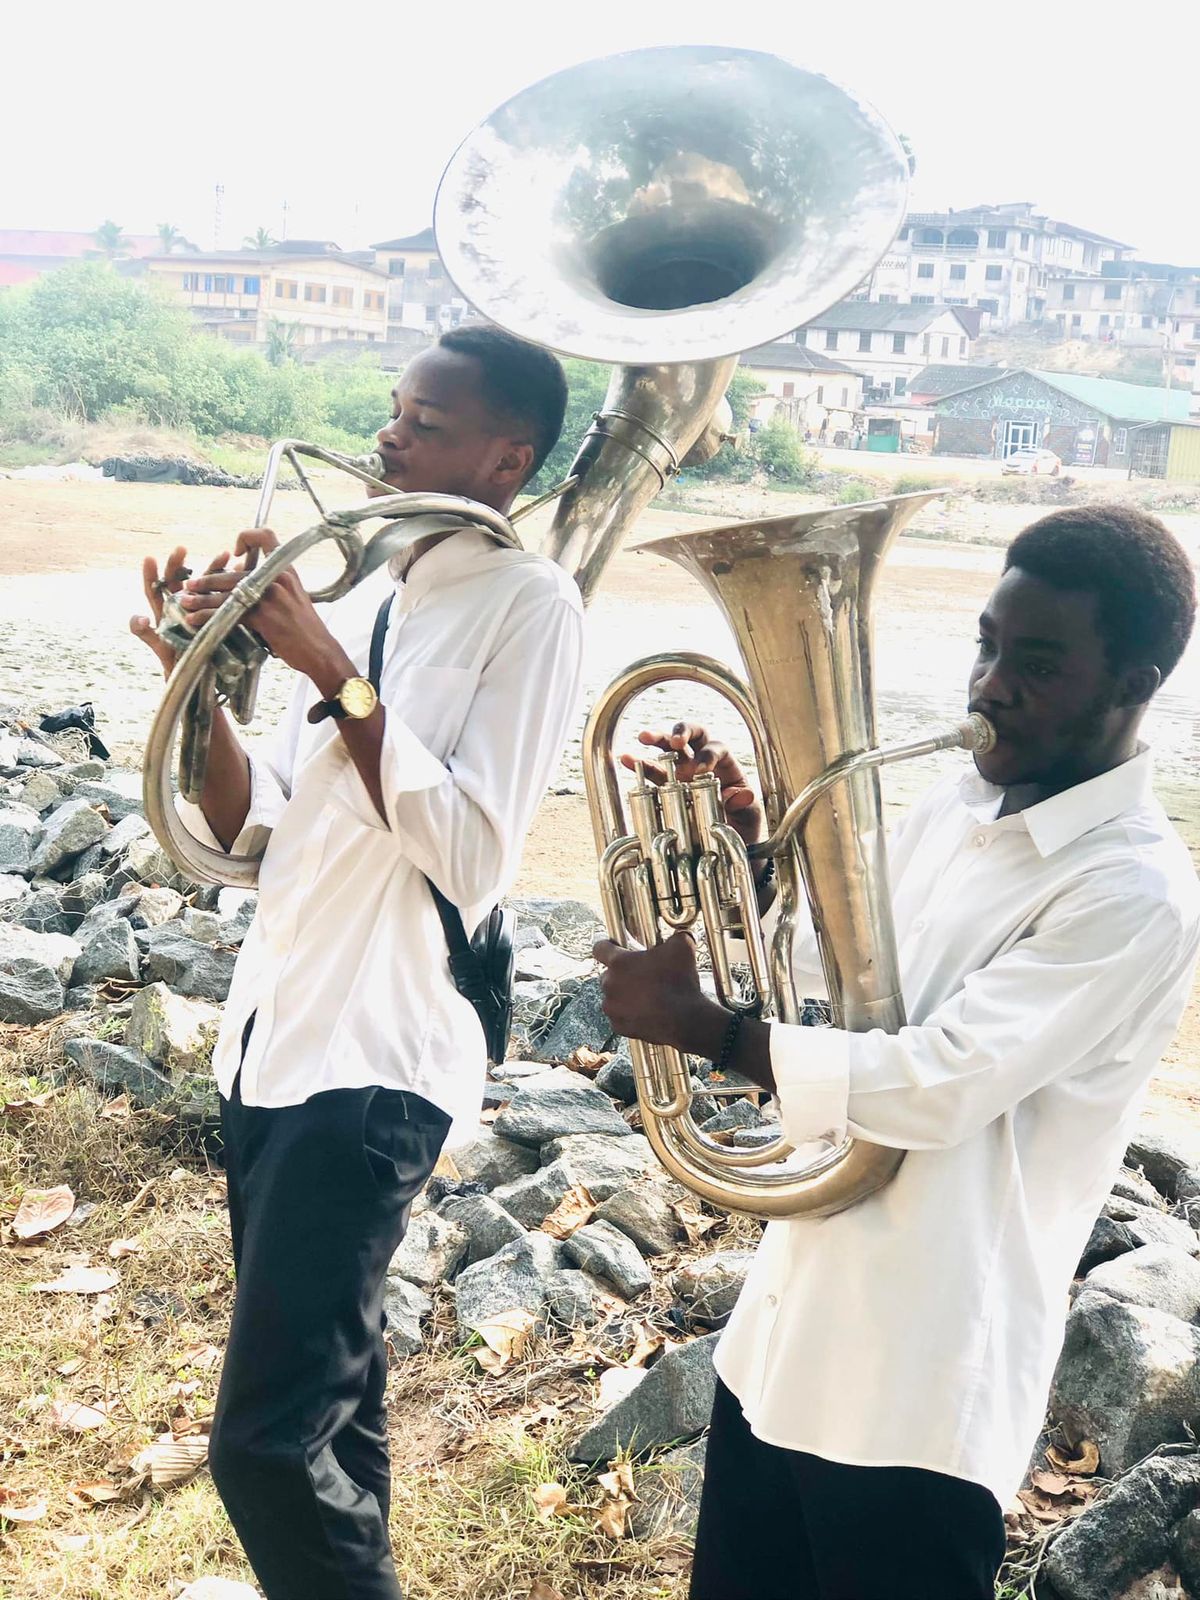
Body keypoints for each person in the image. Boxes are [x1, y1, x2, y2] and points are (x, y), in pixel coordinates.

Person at [593, 505, 1200, 1600]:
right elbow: (840, 988)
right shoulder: (954, 807)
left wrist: (709, 1033)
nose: (992, 683)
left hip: (918, 1386)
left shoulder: (1135, 889)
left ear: (1135, 683)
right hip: (782, 1337)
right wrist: (757, 865)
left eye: (1040, 662)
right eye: (987, 644)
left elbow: (940, 1081)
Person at [130, 325, 584, 1600]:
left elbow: (473, 850)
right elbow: (249, 831)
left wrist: (327, 670)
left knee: (263, 1449)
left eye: (427, 423)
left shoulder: (532, 603)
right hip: (274, 1041)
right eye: (395, 412)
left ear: (511, 455)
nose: (389, 438)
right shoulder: (367, 594)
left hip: (378, 1058)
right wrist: (198, 684)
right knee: (333, 1419)